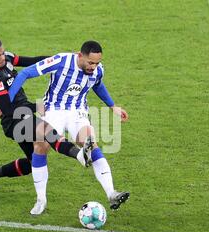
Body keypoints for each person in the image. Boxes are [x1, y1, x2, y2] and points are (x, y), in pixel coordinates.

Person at [8, 40, 130, 211]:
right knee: (41, 145)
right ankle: (41, 199)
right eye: (90, 62)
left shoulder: (98, 70)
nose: (93, 67)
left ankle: (111, 193)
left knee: (90, 143)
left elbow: (98, 85)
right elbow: (25, 73)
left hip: (78, 113)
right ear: (80, 56)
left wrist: (113, 106)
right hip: (53, 111)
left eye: (97, 63)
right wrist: (7, 102)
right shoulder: (61, 61)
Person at [0, 36, 93, 214]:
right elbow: (7, 108)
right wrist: (35, 106)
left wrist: (59, 59)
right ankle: (80, 155)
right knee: (47, 132)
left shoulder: (6, 58)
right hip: (13, 120)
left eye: (2, 53)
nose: (2, 58)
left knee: (33, 163)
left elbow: (31, 61)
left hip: (23, 114)